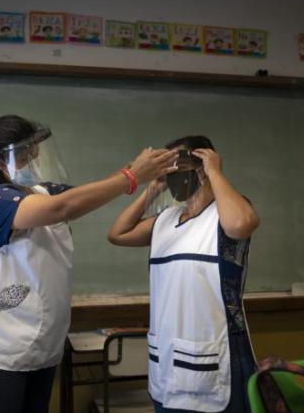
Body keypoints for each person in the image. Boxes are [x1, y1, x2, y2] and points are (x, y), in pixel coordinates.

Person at [0, 115, 178, 413]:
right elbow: (62, 208)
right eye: (25, 155)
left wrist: (152, 187)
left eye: (35, 153)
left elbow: (83, 198)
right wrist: (131, 175)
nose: (34, 160)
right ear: (1, 164)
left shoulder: (45, 191)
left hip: (39, 347)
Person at [108, 135, 260, 413]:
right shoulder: (166, 219)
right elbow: (118, 234)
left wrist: (215, 172)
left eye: (180, 164)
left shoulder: (226, 212)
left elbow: (240, 224)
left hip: (214, 355)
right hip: (167, 357)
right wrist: (152, 190)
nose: (174, 173)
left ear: (201, 165)